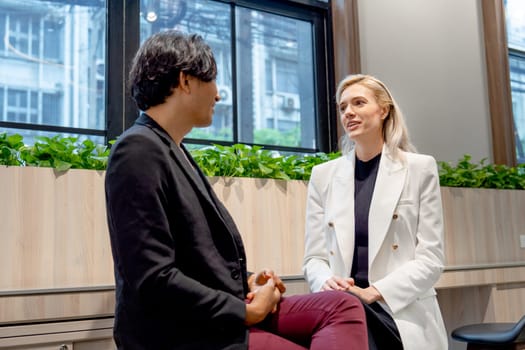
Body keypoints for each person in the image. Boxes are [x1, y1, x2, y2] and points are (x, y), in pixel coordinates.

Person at [105, 30, 368, 350]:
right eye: (212, 81)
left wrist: (247, 281)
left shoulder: (173, 150)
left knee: (343, 305)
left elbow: (193, 261)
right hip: (179, 333)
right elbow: (152, 279)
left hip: (212, 313)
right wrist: (245, 310)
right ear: (185, 81)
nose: (218, 95)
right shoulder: (137, 150)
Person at [302, 74, 448, 350]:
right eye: (343, 107)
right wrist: (327, 282)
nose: (349, 113)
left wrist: (373, 293)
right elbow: (313, 258)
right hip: (342, 308)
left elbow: (431, 259)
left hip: (398, 308)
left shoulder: (419, 169)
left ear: (383, 110)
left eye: (358, 103)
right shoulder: (323, 176)